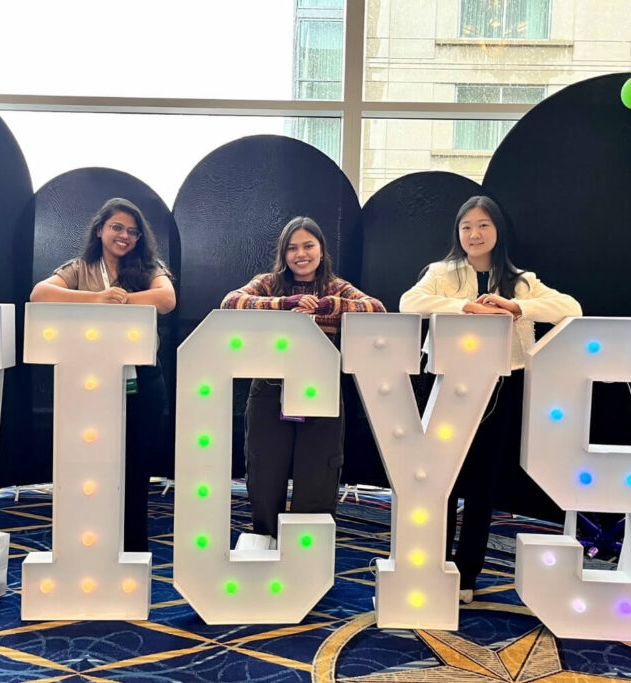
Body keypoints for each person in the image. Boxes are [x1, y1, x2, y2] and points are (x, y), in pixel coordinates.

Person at [399, 195, 581, 604]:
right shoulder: (442, 273)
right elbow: (409, 302)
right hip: (449, 383)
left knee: (483, 483)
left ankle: (467, 575)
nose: (474, 234)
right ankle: (433, 566)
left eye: (483, 225)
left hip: (502, 387)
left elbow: (571, 308)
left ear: (498, 230)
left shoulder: (521, 281)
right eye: (466, 226)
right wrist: (466, 307)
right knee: (441, 480)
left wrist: (514, 306)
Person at [221, 216, 385, 543]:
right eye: (292, 248)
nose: (301, 254)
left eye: (308, 246)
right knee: (264, 470)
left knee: (319, 472)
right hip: (270, 387)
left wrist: (329, 306)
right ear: (283, 254)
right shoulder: (268, 283)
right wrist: (286, 304)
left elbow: (376, 309)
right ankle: (266, 540)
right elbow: (230, 302)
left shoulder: (335, 287)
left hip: (319, 388)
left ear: (322, 251)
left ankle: (307, 551)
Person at [31, 197, 175, 553]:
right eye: (116, 227)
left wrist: (120, 300)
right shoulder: (80, 268)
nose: (124, 236)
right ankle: (92, 548)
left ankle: (134, 551)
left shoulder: (149, 267)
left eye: (132, 231)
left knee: (136, 468)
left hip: (143, 380)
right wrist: (97, 299)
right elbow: (40, 294)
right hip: (91, 381)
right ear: (100, 230)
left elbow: (166, 299)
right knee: (92, 467)